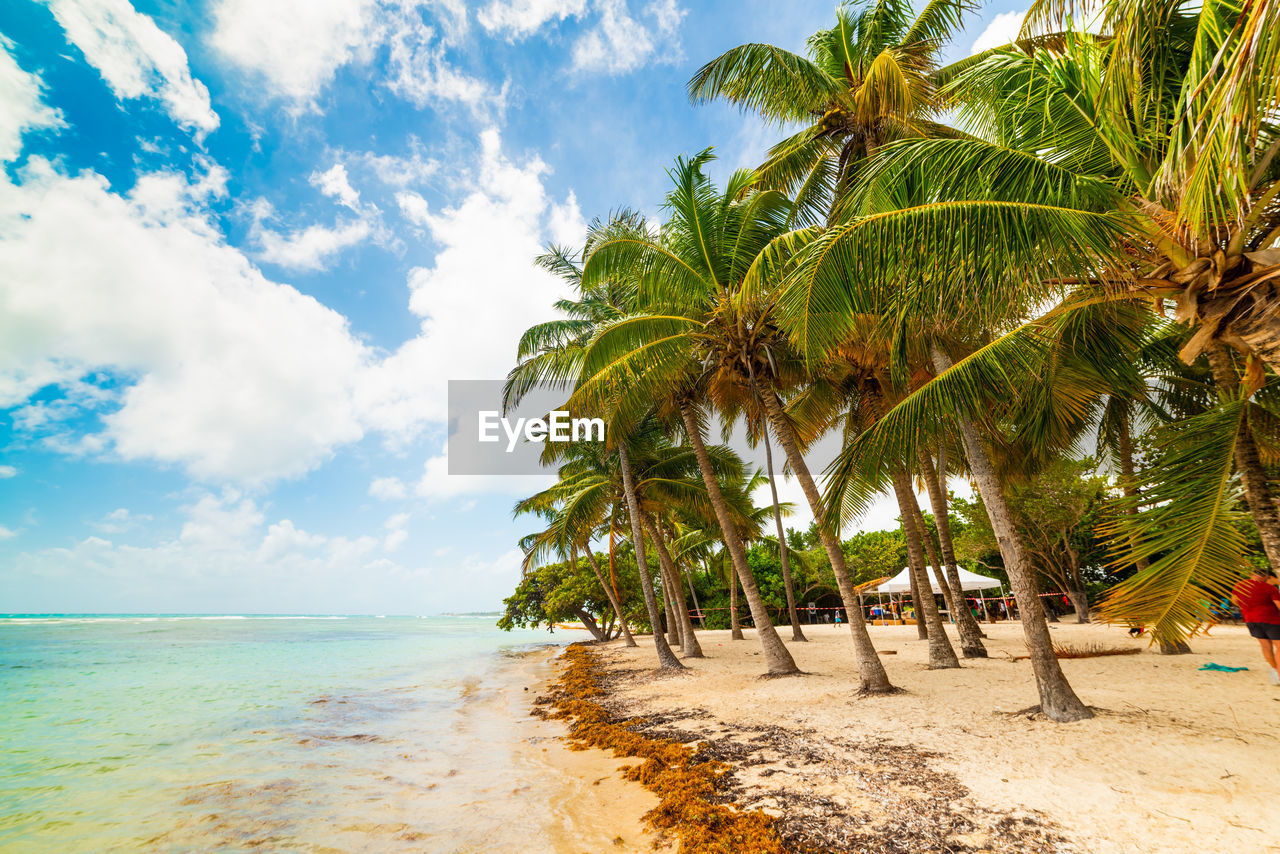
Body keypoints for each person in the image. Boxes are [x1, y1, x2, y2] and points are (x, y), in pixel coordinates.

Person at [1231, 567, 1280, 685]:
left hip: (1250, 620)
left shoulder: (1239, 585)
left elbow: (1234, 601)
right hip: (1271, 620)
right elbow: (1278, 605)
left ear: (1251, 574)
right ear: (1265, 576)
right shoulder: (1269, 588)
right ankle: (1279, 674)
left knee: (1265, 646)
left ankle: (1274, 672)